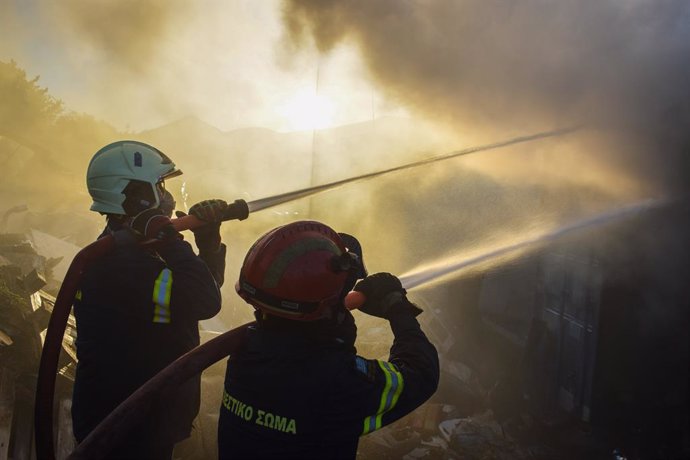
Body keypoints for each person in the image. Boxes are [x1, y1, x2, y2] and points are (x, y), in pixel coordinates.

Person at [217, 220, 439, 459]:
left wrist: (335, 312)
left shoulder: (246, 351)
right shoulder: (333, 380)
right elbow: (420, 373)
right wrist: (398, 309)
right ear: (323, 307)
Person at [72, 140, 230, 459]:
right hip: (126, 426)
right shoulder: (121, 265)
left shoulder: (136, 251)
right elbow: (205, 301)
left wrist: (209, 244)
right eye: (158, 185)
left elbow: (194, 295)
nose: (168, 197)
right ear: (135, 196)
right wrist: (172, 240)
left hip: (142, 417)